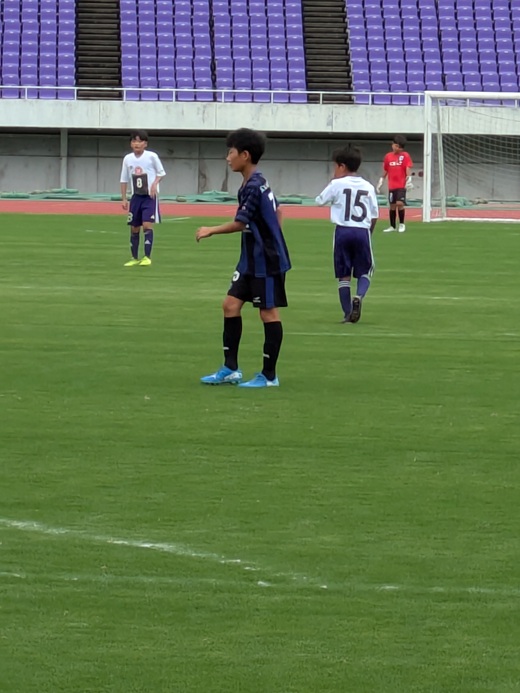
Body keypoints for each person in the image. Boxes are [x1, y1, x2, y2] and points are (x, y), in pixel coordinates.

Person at [196, 128, 291, 388]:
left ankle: (269, 376)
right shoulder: (256, 182)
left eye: (231, 152)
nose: (228, 158)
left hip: (266, 260)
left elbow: (240, 223)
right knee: (230, 305)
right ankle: (230, 369)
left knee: (268, 313)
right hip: (250, 259)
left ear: (245, 155)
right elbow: (279, 210)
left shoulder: (254, 186)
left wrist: (210, 230)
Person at [315, 146, 378, 324]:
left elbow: (319, 201)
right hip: (362, 231)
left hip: (342, 231)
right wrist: (369, 233)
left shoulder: (336, 184)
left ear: (342, 166)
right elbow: (374, 215)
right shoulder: (368, 186)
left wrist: (333, 187)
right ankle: (359, 296)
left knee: (343, 274)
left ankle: (347, 314)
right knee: (365, 270)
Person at [120, 130, 166, 266]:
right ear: (131, 144)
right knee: (134, 227)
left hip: (149, 197)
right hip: (136, 197)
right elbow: (124, 179)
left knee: (147, 225)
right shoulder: (128, 159)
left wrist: (155, 184)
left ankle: (147, 257)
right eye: (134, 141)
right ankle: (134, 258)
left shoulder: (152, 156)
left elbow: (161, 173)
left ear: (145, 144)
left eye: (140, 141)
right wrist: (124, 198)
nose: (137, 144)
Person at [376, 135, 413, 233]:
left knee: (399, 203)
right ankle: (392, 226)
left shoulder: (405, 156)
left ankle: (401, 224)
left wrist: (409, 178)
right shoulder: (388, 156)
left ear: (401, 148)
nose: (395, 148)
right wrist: (381, 180)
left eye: (398, 147)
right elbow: (386, 169)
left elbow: (407, 167)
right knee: (392, 205)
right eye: (394, 145)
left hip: (401, 185)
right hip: (392, 185)